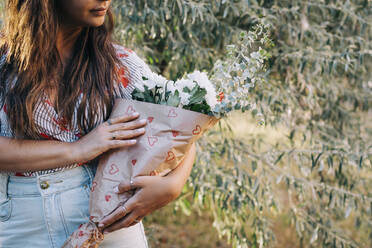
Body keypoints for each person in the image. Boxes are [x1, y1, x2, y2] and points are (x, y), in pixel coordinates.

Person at [0, 0, 196, 247]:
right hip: (22, 223)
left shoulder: (118, 64)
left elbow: (179, 124)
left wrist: (173, 185)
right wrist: (79, 149)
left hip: (108, 220)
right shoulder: (4, 64)